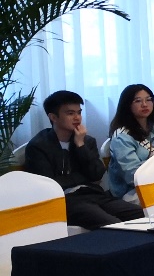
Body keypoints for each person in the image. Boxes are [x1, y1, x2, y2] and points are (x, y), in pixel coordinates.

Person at [24, 90, 144, 227]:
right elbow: (49, 184)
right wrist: (82, 177)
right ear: (53, 117)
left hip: (93, 194)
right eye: (70, 113)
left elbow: (96, 174)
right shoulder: (38, 146)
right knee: (113, 224)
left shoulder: (86, 141)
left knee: (142, 215)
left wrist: (80, 145)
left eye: (79, 112)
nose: (77, 118)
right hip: (65, 201)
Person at [107, 84, 154, 202]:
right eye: (138, 101)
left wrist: (149, 165)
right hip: (134, 191)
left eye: (148, 100)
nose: (144, 104)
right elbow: (133, 174)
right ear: (127, 105)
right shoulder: (122, 137)